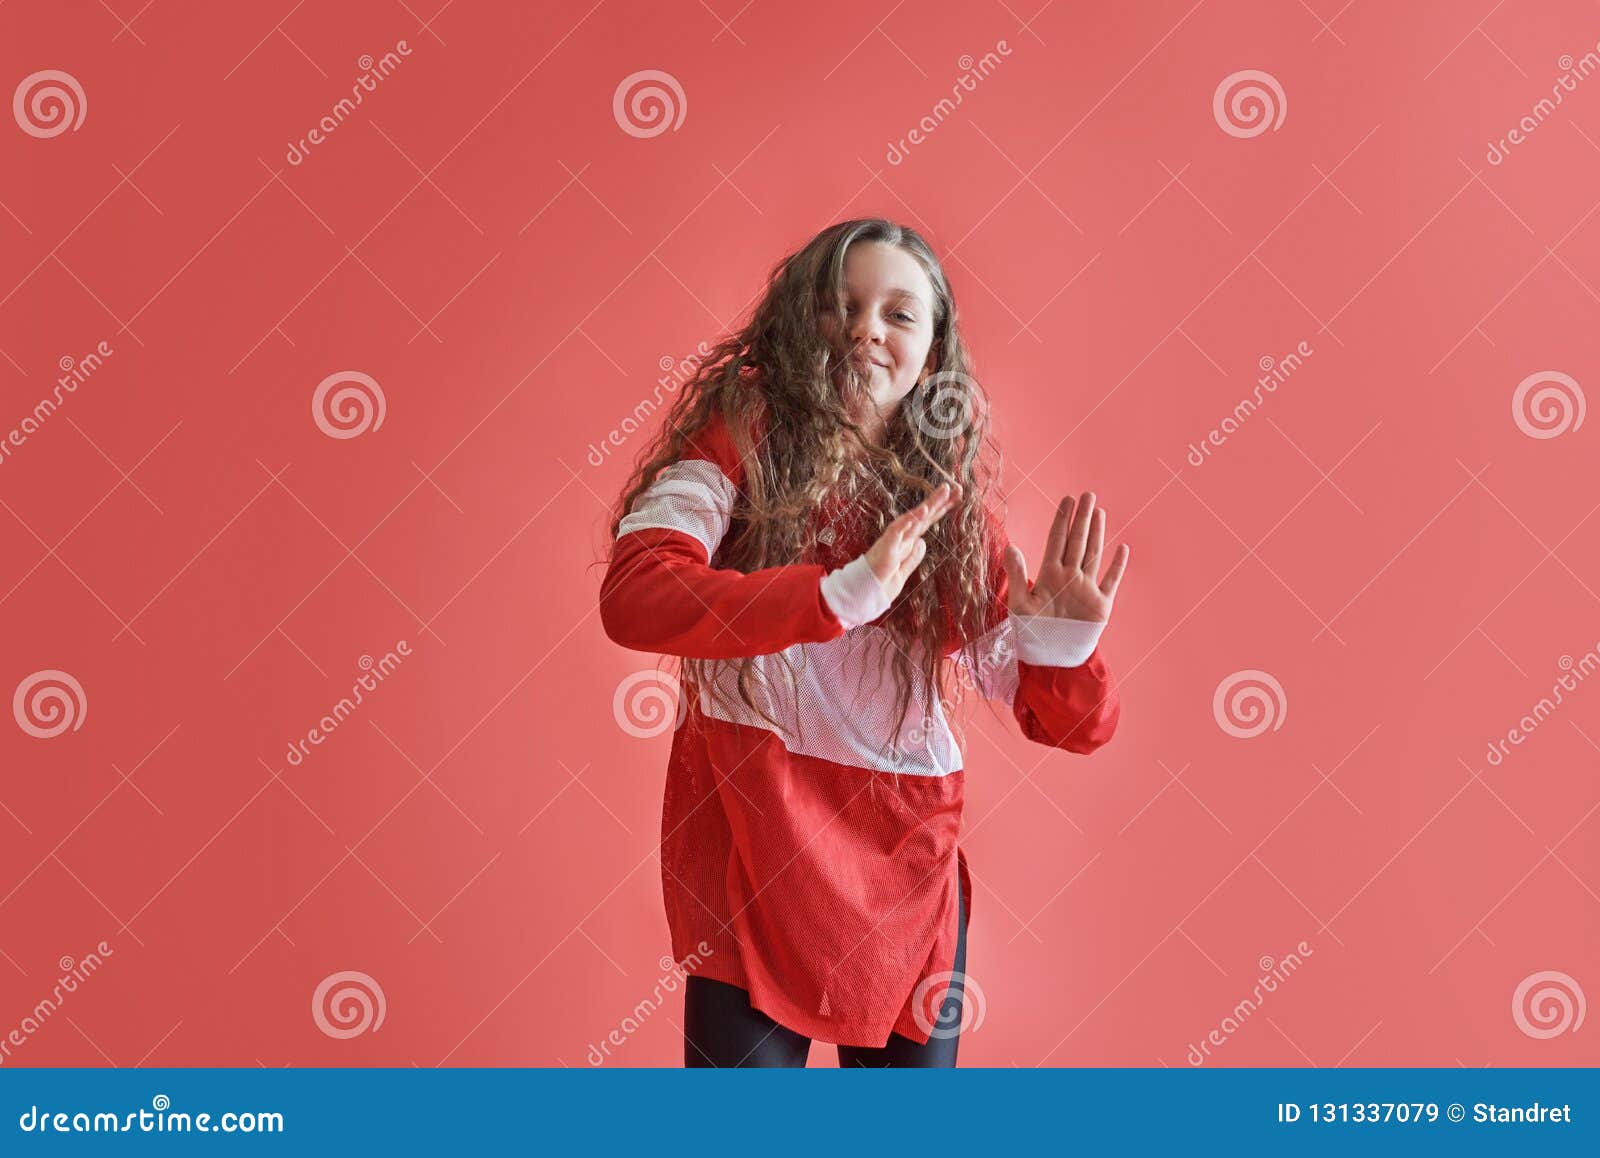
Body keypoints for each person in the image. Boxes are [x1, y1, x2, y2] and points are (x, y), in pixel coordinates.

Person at [597, 217, 1130, 1067]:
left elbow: (1070, 725)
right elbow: (635, 597)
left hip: (903, 865)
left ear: (933, 353)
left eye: (898, 314)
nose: (865, 330)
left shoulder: (948, 508)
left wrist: (1060, 653)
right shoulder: (739, 446)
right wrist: (835, 597)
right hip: (753, 841)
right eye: (841, 305)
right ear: (796, 324)